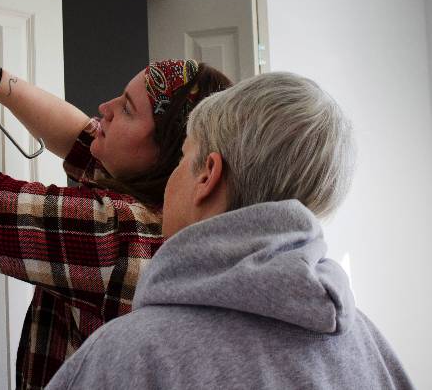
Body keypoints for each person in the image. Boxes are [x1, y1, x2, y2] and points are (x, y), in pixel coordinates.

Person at [0, 1, 232, 388]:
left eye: (126, 109)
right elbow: (85, 138)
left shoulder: (118, 232)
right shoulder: (180, 207)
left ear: (166, 155)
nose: (103, 109)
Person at [46, 72, 414, 389]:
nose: (170, 178)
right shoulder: (367, 345)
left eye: (182, 157)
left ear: (208, 174)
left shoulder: (133, 355)